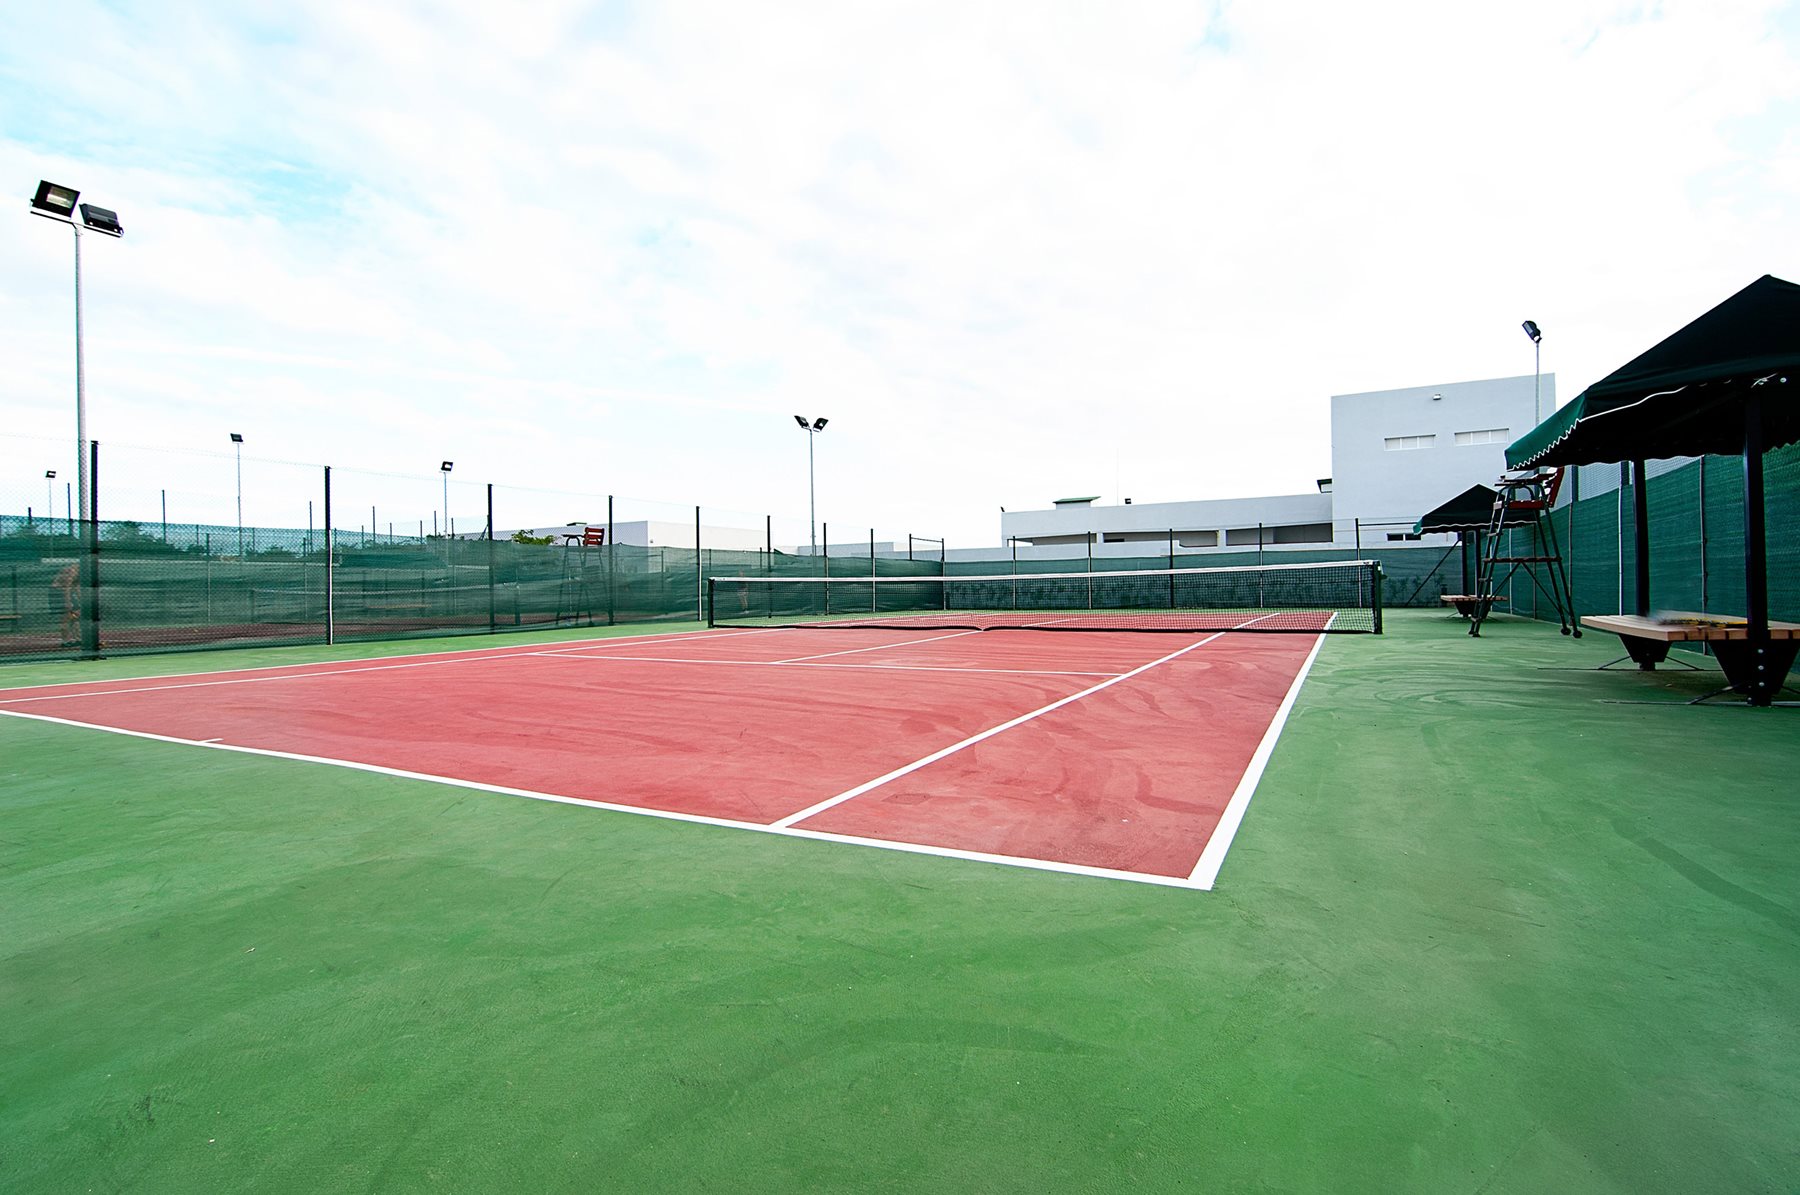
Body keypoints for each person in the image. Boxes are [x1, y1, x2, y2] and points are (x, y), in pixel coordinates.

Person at [52, 563, 79, 646]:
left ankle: (78, 639)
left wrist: (79, 600)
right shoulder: (69, 573)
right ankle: (65, 641)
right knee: (66, 618)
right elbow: (66, 589)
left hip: (69, 594)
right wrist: (68, 602)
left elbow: (76, 588)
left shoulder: (78, 574)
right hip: (59, 594)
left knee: (76, 617)